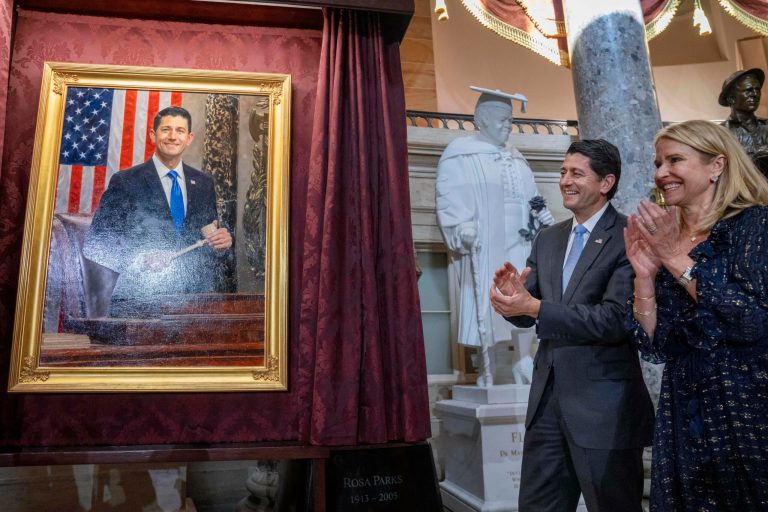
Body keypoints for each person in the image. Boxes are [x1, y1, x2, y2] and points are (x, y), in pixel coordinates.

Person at [490, 139, 654, 511]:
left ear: (606, 182)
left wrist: (534, 306)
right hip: (547, 406)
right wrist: (510, 301)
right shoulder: (548, 238)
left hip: (604, 410)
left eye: (577, 173)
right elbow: (531, 308)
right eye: (563, 171)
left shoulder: (630, 236)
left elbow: (615, 320)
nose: (565, 180)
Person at [625, 119, 768, 510]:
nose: (661, 173)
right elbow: (655, 345)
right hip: (683, 407)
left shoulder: (753, 224)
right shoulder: (666, 233)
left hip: (746, 405)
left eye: (674, 160)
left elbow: (750, 320)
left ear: (716, 166)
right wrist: (644, 277)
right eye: (658, 162)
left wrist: (674, 258)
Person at [436, 88, 554, 386]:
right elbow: (449, 196)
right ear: (481, 120)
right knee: (490, 298)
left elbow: (532, 197)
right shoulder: (460, 152)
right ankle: (486, 365)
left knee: (525, 293)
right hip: (488, 240)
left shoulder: (516, 157)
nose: (507, 126)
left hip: (522, 239)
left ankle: (523, 359)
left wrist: (542, 217)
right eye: (501, 120)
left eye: (510, 121)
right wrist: (461, 225)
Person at [83, 106, 232, 310]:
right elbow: (96, 243)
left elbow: (208, 241)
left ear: (189, 138)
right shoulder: (125, 182)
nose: (173, 136)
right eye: (166, 130)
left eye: (180, 131)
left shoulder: (204, 183)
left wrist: (222, 244)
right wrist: (140, 259)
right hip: (140, 301)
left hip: (194, 303)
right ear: (153, 136)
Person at [719, 68, 768, 178]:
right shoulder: (720, 134)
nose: (755, 94)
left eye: (757, 90)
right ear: (731, 98)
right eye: (748, 90)